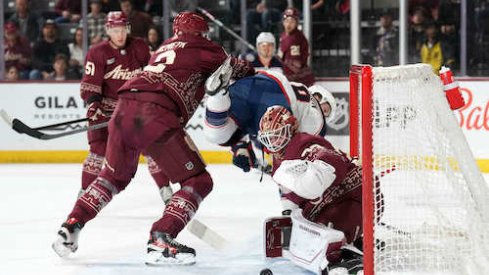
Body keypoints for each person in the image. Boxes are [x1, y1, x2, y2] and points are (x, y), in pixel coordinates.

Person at [52, 11, 255, 265]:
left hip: (123, 109)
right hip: (156, 115)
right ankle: (161, 237)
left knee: (111, 177)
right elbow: (244, 69)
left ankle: (72, 223)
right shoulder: (206, 47)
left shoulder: (165, 46)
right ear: (201, 33)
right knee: (199, 181)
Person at [73, 12, 171, 202]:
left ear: (128, 29)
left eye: (123, 30)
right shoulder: (97, 52)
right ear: (108, 30)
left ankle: (165, 190)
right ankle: (85, 192)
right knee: (97, 153)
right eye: (115, 30)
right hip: (106, 108)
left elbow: (153, 75)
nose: (119, 35)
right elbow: (90, 82)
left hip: (135, 109)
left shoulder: (141, 47)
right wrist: (93, 104)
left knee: (151, 149)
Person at [257, 105, 363, 274]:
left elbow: (321, 177)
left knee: (322, 234)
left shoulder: (304, 143)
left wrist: (312, 176)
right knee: (308, 223)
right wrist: (288, 210)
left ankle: (345, 258)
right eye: (269, 138)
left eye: (277, 136)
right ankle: (353, 242)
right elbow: (293, 194)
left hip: (356, 196)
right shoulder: (281, 157)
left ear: (291, 130)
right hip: (334, 199)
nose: (273, 143)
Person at [204, 67, 336, 175]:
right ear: (318, 96)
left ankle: (218, 95)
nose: (323, 112)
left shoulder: (303, 93)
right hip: (281, 100)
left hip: (269, 83)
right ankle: (218, 95)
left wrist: (241, 148)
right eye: (325, 109)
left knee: (216, 135)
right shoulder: (317, 123)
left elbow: (249, 126)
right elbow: (292, 163)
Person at [278, 8, 315, 87]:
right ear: (283, 22)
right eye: (287, 21)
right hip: (288, 75)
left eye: (292, 22)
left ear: (297, 23)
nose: (289, 24)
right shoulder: (283, 35)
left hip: (299, 79)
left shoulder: (297, 38)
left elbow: (295, 65)